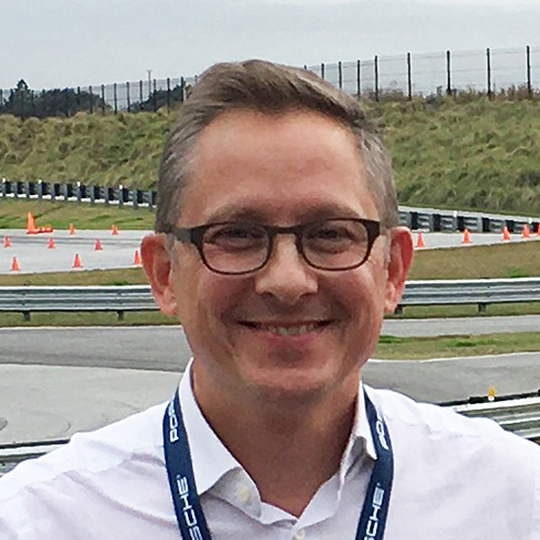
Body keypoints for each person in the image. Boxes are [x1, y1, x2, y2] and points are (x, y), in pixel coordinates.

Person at [0, 59, 539, 540]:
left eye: (330, 233)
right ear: (164, 274)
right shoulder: (39, 521)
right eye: (236, 234)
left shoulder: (516, 500)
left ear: (392, 270)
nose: (287, 281)